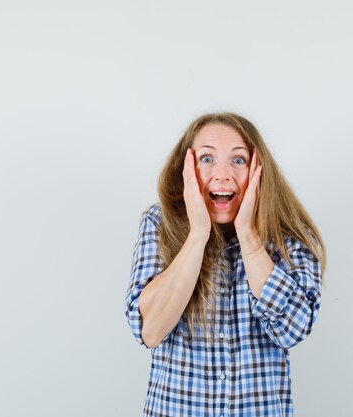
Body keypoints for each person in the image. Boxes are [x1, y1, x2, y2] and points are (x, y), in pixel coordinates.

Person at [125, 112, 326, 417]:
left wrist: (248, 234)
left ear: (258, 169)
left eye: (238, 160)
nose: (222, 174)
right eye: (207, 159)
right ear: (187, 169)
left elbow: (294, 328)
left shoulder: (289, 235)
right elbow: (149, 330)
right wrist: (198, 235)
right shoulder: (158, 223)